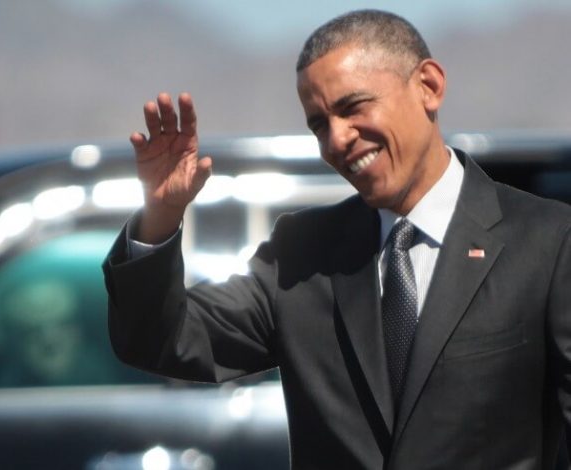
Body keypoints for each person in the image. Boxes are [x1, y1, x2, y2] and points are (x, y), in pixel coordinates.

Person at [102, 9, 571, 469]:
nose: (337, 139)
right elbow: (162, 340)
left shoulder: (547, 244)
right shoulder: (304, 255)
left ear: (428, 86)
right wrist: (160, 216)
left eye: (352, 108)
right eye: (319, 124)